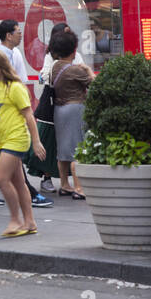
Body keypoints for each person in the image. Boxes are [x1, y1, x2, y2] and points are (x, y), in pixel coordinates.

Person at [0, 50, 46, 237]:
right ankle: (30, 222)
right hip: (1, 141)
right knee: (18, 182)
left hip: (16, 139)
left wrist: (36, 141)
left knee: (0, 179)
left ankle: (16, 220)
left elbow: (28, 115)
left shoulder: (15, 87)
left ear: (2, 66)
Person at [47, 28, 93, 198]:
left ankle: (65, 185)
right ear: (74, 50)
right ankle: (79, 188)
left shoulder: (55, 67)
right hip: (75, 109)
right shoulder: (76, 70)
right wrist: (88, 70)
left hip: (59, 111)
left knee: (63, 149)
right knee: (77, 149)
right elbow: (95, 84)